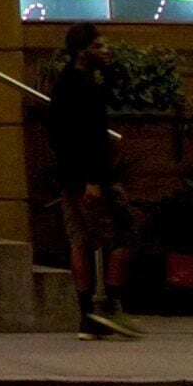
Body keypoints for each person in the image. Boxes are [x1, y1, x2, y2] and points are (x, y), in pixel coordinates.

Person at [45, 25, 132, 338]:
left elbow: (58, 134)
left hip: (72, 177)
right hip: (91, 177)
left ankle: (88, 315)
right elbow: (85, 137)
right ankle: (111, 306)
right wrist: (93, 180)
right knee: (121, 236)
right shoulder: (80, 89)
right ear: (83, 50)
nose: (105, 50)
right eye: (98, 46)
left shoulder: (68, 85)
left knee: (80, 239)